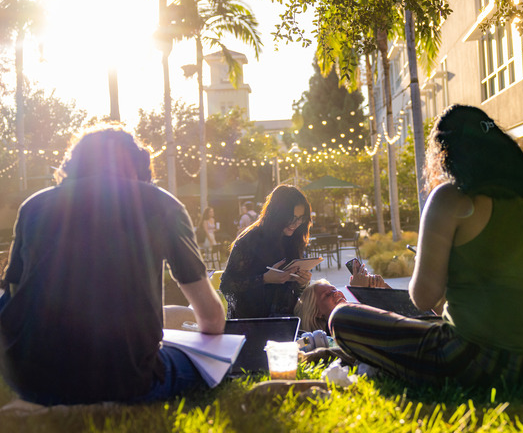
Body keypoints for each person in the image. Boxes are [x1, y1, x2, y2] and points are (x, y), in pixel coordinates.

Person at [329, 104, 523, 389]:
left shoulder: (450, 197)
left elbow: (422, 297)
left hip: (481, 361)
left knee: (343, 317)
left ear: (445, 153)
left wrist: (429, 262)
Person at [0, 125, 225, 406]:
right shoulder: (161, 204)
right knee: (209, 365)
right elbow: (212, 319)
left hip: (31, 381)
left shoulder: (34, 206)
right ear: (140, 168)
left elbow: (12, 294)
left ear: (74, 163)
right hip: (126, 380)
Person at [220, 185, 313, 318]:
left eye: (301, 218)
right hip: (251, 322)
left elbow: (295, 292)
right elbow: (227, 285)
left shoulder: (293, 239)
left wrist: (302, 283)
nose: (296, 223)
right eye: (291, 217)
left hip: (285, 321)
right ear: (277, 214)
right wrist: (264, 279)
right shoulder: (249, 240)